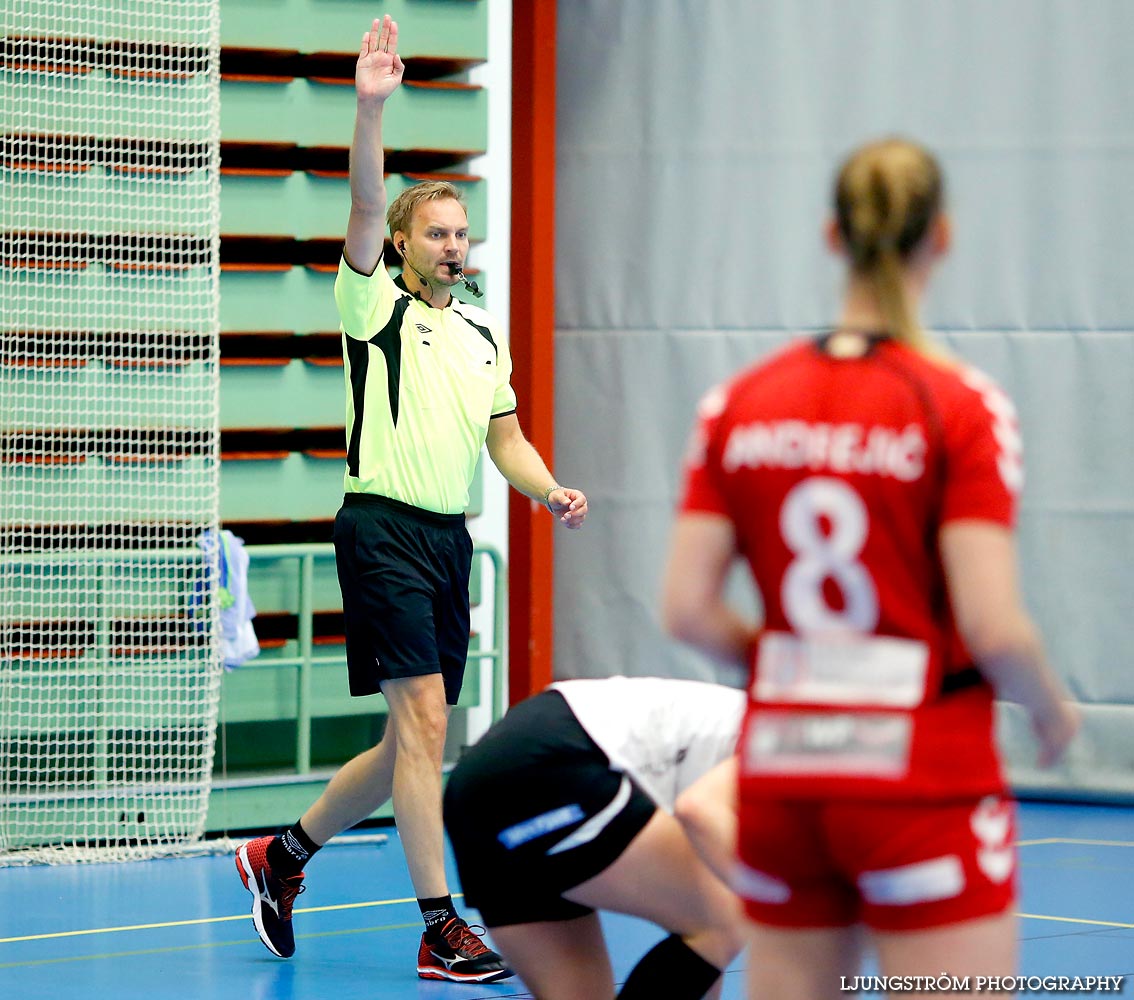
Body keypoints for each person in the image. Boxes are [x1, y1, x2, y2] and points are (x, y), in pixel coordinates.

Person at [661, 137, 1079, 999]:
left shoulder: (738, 404)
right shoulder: (960, 406)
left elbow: (689, 611)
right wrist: (1050, 708)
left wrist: (797, 671)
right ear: (943, 239)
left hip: (785, 777)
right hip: (921, 779)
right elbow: (995, 625)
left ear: (831, 234)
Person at [235, 15, 587, 984]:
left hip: (446, 541)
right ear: (400, 242)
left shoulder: (482, 336)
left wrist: (547, 486)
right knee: (429, 722)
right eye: (436, 232)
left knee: (407, 741)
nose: (454, 244)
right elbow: (356, 205)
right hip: (379, 528)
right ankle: (441, 925)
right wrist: (368, 107)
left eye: (462, 233)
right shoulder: (374, 308)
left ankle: (281, 858)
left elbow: (503, 436)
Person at [442, 675, 746, 999]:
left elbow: (701, 965)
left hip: (476, 786)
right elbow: (697, 809)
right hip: (547, 765)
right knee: (724, 914)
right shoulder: (787, 739)